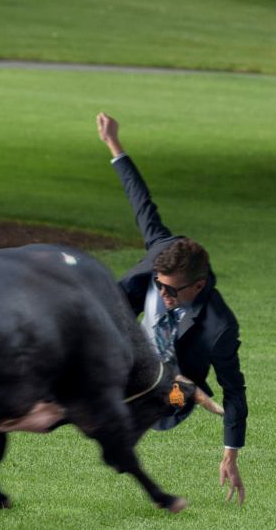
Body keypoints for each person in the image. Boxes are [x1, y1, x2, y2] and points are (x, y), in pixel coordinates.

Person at [97, 112, 248, 504]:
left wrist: (231, 453)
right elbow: (141, 201)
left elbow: (235, 390)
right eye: (158, 286)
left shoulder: (218, 327)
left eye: (172, 292)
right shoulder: (161, 254)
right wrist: (114, 144)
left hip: (173, 392)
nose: (163, 295)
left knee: (167, 399)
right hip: (130, 352)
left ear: (197, 286)